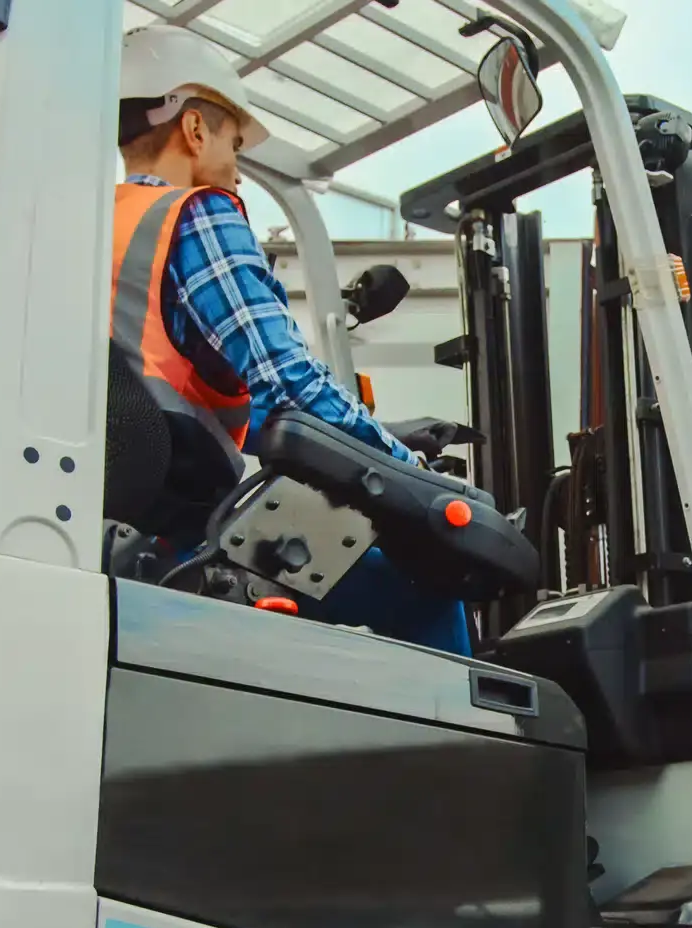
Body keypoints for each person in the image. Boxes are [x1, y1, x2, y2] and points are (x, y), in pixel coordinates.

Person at [111, 24, 470, 655]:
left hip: (112, 530)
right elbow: (287, 383)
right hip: (188, 535)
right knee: (426, 590)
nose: (239, 171)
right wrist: (413, 474)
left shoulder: (83, 225)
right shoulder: (197, 213)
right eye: (234, 141)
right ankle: (478, 757)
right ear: (195, 130)